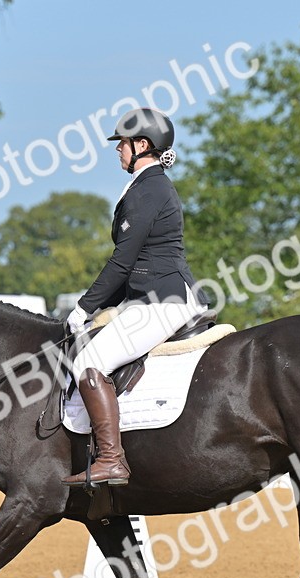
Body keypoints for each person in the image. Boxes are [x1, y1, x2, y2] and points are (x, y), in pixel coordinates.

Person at [62, 107, 208, 488]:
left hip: (162, 300)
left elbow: (123, 260)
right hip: (155, 295)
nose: (118, 150)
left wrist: (84, 307)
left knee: (89, 361)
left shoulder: (149, 188)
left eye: (122, 144)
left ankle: (112, 459)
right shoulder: (150, 185)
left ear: (142, 145)